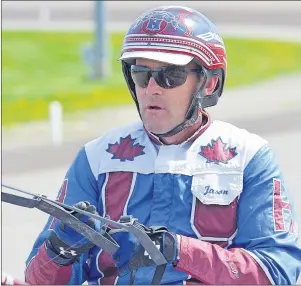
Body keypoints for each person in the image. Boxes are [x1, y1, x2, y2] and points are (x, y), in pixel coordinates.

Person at [24, 5, 301, 285]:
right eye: (141, 74)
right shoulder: (97, 158)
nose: (152, 88)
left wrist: (179, 250)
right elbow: (37, 280)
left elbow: (277, 272)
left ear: (209, 83)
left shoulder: (248, 157)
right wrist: (60, 250)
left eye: (172, 76)